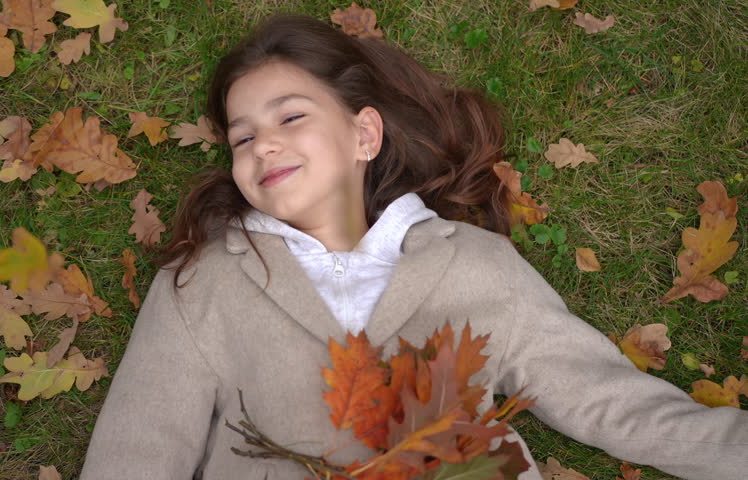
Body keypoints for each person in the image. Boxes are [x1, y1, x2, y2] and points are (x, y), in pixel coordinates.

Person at [78, 13, 747, 480]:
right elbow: (140, 446)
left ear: (364, 136)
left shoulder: (478, 267)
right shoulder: (205, 284)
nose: (265, 144)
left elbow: (606, 399)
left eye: (290, 116)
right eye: (242, 137)